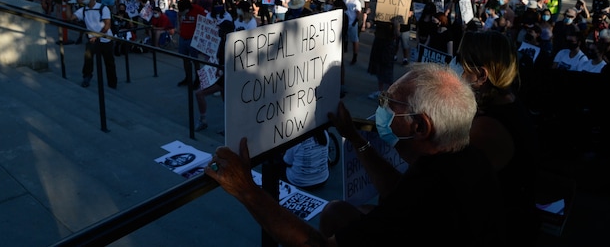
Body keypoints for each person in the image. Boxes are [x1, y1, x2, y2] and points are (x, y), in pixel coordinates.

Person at [205, 63, 505, 246]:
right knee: (336, 212)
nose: (382, 108)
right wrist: (353, 136)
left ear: (420, 126)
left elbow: (317, 245)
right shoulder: (462, 159)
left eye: (391, 103)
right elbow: (394, 191)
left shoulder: (424, 197)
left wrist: (245, 189)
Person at [456, 30, 540, 246]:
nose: (459, 73)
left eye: (462, 66)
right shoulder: (506, 101)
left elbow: (452, 188)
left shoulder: (487, 128)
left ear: (482, 76)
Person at [68, 0, 118, 89]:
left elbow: (107, 25)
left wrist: (97, 36)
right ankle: (87, 77)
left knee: (109, 62)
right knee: (88, 59)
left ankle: (112, 83)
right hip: (92, 40)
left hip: (105, 39)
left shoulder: (103, 8)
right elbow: (71, 18)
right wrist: (68, 5)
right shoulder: (83, 10)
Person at [176, 0, 207, 88]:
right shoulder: (181, 12)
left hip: (193, 39)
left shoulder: (197, 9)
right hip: (183, 37)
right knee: (185, 59)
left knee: (195, 60)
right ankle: (188, 77)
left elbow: (207, 16)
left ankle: (198, 79)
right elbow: (178, 18)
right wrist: (179, 27)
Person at [344, 0, 361, 64]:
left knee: (354, 40)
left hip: (352, 23)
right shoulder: (345, 0)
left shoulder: (356, 2)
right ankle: (345, 48)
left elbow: (358, 13)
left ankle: (355, 56)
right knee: (345, 38)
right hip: (345, 23)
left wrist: (355, 22)